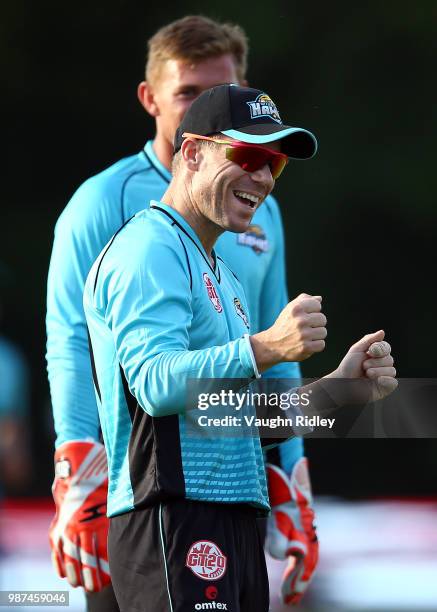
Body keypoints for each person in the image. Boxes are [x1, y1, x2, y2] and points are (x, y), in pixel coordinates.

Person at [83, 83, 397, 612]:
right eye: (249, 155)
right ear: (191, 152)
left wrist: (337, 393)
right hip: (172, 517)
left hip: (230, 520)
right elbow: (156, 386)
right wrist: (264, 348)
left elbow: (227, 415)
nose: (262, 178)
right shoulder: (148, 246)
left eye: (274, 164)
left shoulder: (222, 271)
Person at [47, 16, 317, 610]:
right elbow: (73, 341)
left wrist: (290, 471)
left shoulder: (251, 217)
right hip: (147, 486)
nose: (262, 174)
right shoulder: (107, 203)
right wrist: (79, 467)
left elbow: (274, 357)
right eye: (186, 92)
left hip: (228, 487)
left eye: (270, 161)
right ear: (151, 99)